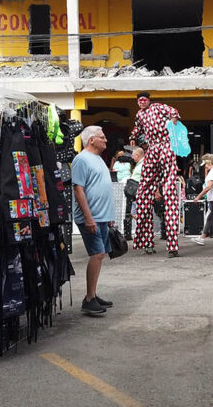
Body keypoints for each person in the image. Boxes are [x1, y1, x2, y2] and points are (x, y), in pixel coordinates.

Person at [130, 92, 182, 257]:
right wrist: (133, 137)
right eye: (139, 101)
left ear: (149, 101)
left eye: (144, 100)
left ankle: (172, 244)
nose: (142, 103)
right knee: (144, 193)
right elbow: (138, 127)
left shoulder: (158, 107)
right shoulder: (139, 114)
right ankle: (146, 241)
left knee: (170, 193)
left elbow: (174, 111)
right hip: (152, 148)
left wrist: (173, 121)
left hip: (166, 146)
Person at [72, 126, 116, 316]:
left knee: (100, 255)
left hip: (101, 217)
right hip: (91, 218)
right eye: (102, 137)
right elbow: (78, 189)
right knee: (97, 254)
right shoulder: (81, 159)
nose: (105, 140)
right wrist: (88, 217)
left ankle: (92, 295)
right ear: (91, 140)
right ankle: (89, 299)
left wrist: (109, 217)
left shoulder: (98, 159)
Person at [124, 147, 145, 243]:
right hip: (134, 192)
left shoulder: (143, 165)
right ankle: (129, 234)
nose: (132, 157)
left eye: (133, 155)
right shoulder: (139, 164)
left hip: (136, 192)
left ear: (138, 155)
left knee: (133, 213)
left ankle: (134, 234)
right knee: (132, 212)